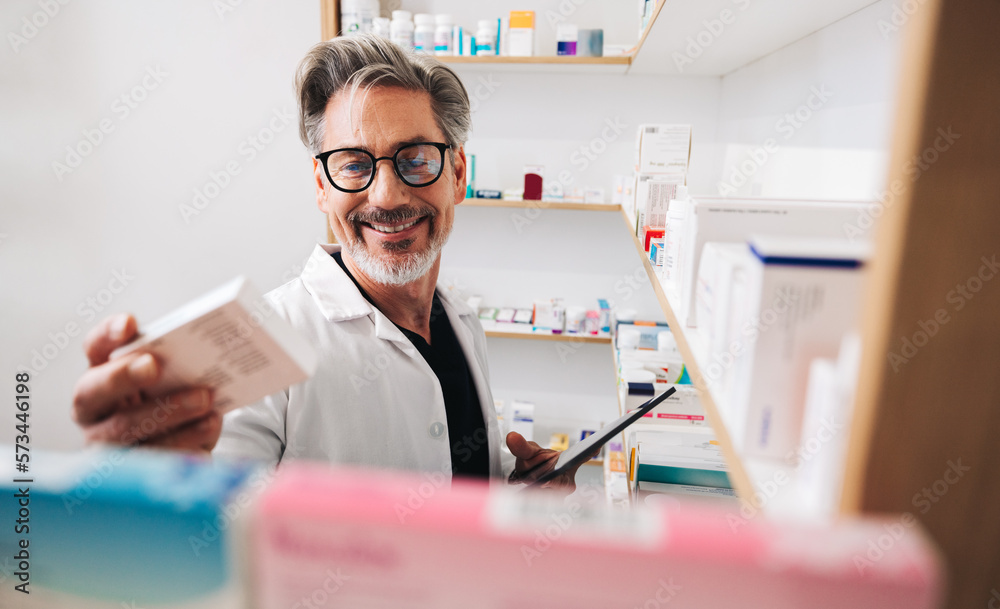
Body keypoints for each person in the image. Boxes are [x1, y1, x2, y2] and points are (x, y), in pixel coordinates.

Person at [71, 34, 584, 489]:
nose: (385, 196)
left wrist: (520, 493)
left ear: (457, 173)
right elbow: (204, 528)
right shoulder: (264, 342)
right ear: (321, 187)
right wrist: (146, 484)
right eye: (354, 164)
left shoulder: (463, 324)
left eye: (416, 159)